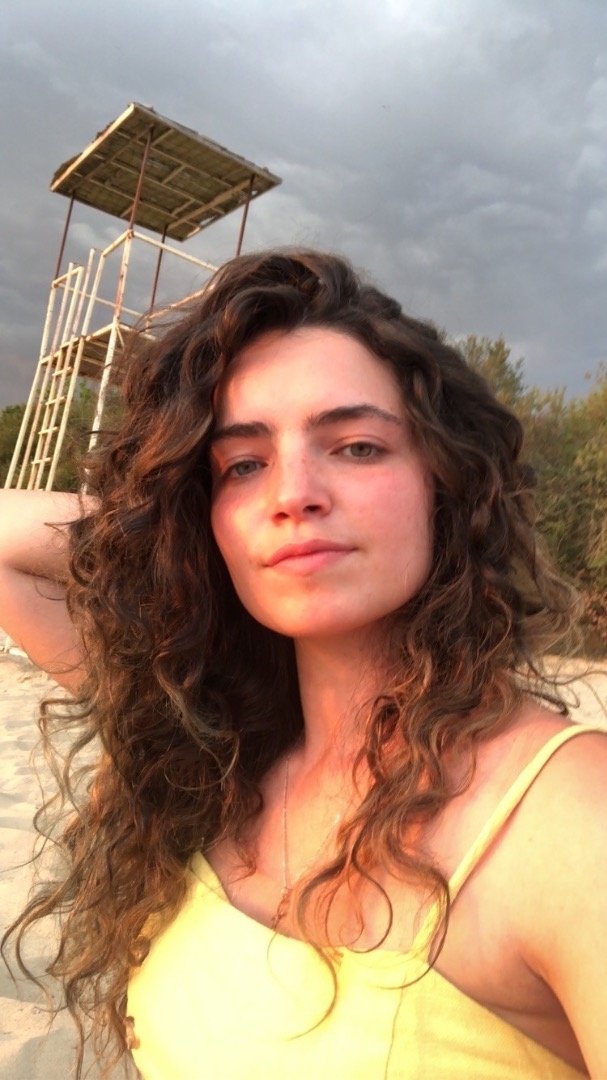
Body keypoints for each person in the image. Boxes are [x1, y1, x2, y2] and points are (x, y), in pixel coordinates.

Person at [1, 249, 605, 1080]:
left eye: (355, 446)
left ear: (444, 483)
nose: (292, 494)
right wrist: (162, 525)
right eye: (243, 465)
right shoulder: (212, 746)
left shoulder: (567, 817)